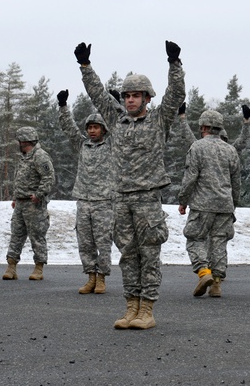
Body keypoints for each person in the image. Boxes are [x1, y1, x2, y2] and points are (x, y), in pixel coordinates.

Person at [74, 39, 184, 330]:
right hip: (120, 198)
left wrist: (174, 65)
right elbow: (97, 94)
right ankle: (130, 307)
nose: (130, 100)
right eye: (127, 96)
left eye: (136, 95)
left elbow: (176, 94)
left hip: (147, 199)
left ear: (147, 98)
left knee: (149, 255)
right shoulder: (116, 120)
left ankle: (146, 309)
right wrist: (85, 66)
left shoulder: (159, 120)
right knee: (127, 255)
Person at [57, 89, 115, 294]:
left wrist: (116, 102)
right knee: (85, 242)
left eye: (96, 127)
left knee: (103, 241)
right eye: (89, 127)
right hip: (83, 200)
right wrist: (63, 107)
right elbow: (69, 129)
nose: (92, 131)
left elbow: (120, 126)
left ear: (104, 130)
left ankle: (101, 278)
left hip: (104, 201)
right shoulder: (82, 145)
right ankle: (90, 276)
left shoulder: (111, 145)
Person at [177, 109, 241, 298]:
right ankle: (217, 284)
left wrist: (183, 200)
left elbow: (190, 178)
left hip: (202, 205)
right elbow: (236, 182)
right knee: (219, 242)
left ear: (203, 127)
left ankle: (204, 273)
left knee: (195, 238)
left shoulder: (197, 147)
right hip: (224, 205)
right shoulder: (230, 150)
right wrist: (233, 205)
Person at [5, 127, 55, 281]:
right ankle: (11, 267)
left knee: (37, 236)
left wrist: (39, 194)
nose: (18, 143)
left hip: (34, 204)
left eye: (20, 141)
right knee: (16, 235)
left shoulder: (40, 156)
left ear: (25, 140)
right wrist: (15, 197)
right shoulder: (24, 157)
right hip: (20, 203)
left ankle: (38, 268)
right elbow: (19, 179)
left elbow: (49, 177)